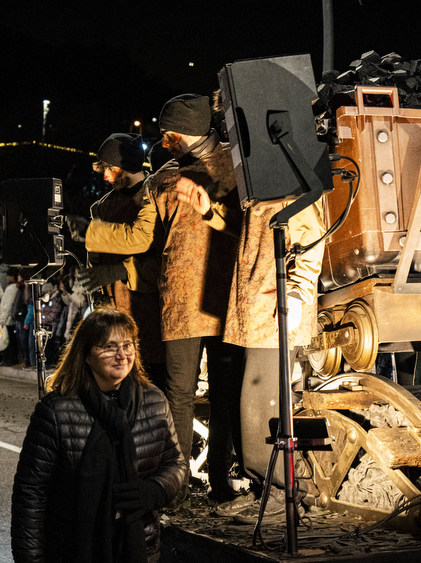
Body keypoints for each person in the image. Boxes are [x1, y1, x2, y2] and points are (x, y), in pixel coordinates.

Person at [78, 94, 242, 505]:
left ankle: (220, 480)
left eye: (170, 135)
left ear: (188, 131)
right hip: (179, 300)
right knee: (178, 394)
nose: (164, 143)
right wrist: (96, 238)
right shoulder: (162, 179)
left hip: (225, 296)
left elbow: (247, 225)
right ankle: (176, 486)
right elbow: (144, 237)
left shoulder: (236, 163)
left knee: (225, 394)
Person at [174, 144, 326, 522]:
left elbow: (312, 238)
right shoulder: (263, 188)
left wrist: (298, 293)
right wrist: (209, 210)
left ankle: (280, 494)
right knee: (252, 408)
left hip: (274, 318)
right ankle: (264, 490)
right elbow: (243, 234)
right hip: (254, 317)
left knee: (263, 407)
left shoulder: (289, 183)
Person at [10, 308, 186, 562]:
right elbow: (31, 494)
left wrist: (154, 490)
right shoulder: (57, 410)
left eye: (127, 345)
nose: (121, 356)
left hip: (138, 548)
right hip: (71, 550)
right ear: (86, 354)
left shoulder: (154, 401)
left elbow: (175, 463)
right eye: (109, 347)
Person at [75, 132, 166, 386]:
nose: (105, 177)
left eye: (110, 169)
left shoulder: (155, 197)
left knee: (150, 385)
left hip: (148, 315)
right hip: (111, 316)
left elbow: (164, 262)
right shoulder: (102, 207)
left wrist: (121, 270)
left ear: (126, 165)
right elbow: (95, 262)